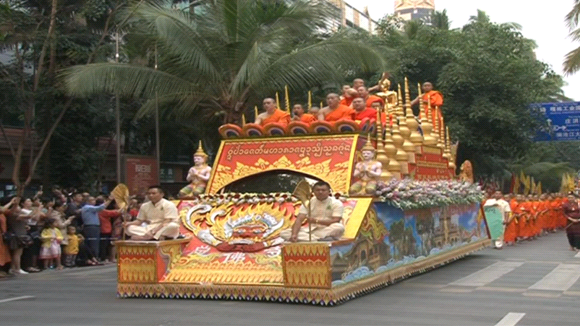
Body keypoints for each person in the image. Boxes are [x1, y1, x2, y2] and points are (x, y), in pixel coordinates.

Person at [280, 181, 345, 242]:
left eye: (323, 190)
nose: (320, 192)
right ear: (313, 191)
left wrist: (316, 221)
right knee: (284, 233)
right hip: (312, 230)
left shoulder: (336, 203)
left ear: (329, 191)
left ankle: (310, 239)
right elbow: (299, 220)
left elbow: (336, 220)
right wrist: (294, 234)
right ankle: (317, 239)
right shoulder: (308, 202)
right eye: (317, 190)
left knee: (339, 227)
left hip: (327, 229)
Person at [81, 195, 113, 260]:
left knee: (96, 242)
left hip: (95, 226)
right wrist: (109, 200)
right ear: (87, 201)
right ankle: (93, 257)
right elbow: (100, 208)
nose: (94, 201)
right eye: (92, 200)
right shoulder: (87, 207)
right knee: (93, 242)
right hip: (91, 226)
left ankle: (94, 257)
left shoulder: (91, 208)